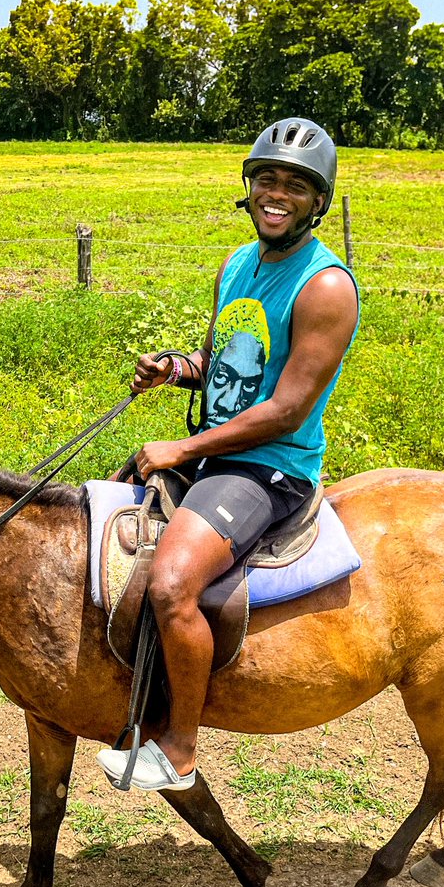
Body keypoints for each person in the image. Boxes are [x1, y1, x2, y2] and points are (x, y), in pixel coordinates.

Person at [97, 117, 360, 792]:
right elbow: (224, 366)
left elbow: (284, 408)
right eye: (265, 180)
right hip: (215, 454)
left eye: (294, 186)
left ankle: (178, 749)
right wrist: (175, 368)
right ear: (247, 189)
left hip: (268, 468)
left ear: (318, 200)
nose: (276, 194)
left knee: (171, 582)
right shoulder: (237, 265)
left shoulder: (325, 286)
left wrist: (181, 447)